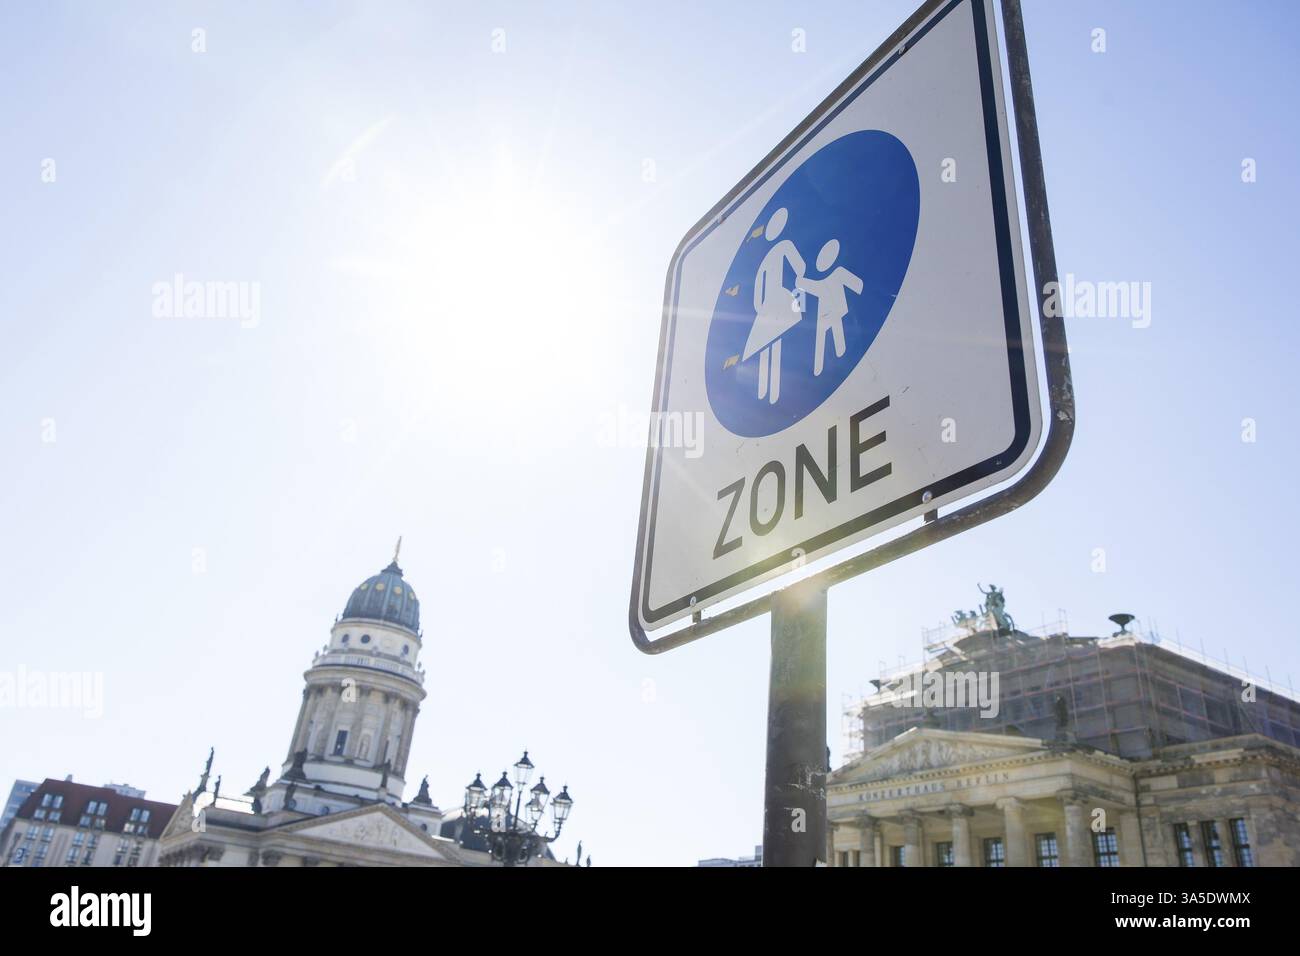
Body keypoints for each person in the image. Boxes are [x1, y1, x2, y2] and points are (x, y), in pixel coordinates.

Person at [742, 207, 806, 403]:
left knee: (765, 346)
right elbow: (800, 267)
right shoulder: (783, 247)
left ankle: (765, 393)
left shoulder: (766, 260)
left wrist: (761, 309)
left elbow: (756, 293)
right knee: (775, 343)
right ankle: (772, 395)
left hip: (768, 305)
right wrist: (798, 287)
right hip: (780, 299)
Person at [797, 239, 863, 377]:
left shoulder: (837, 273)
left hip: (832, 312)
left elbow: (857, 284)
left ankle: (832, 358)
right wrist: (801, 282)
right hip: (825, 314)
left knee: (829, 336)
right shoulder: (832, 276)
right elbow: (857, 285)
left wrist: (801, 282)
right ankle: (820, 367)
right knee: (822, 339)